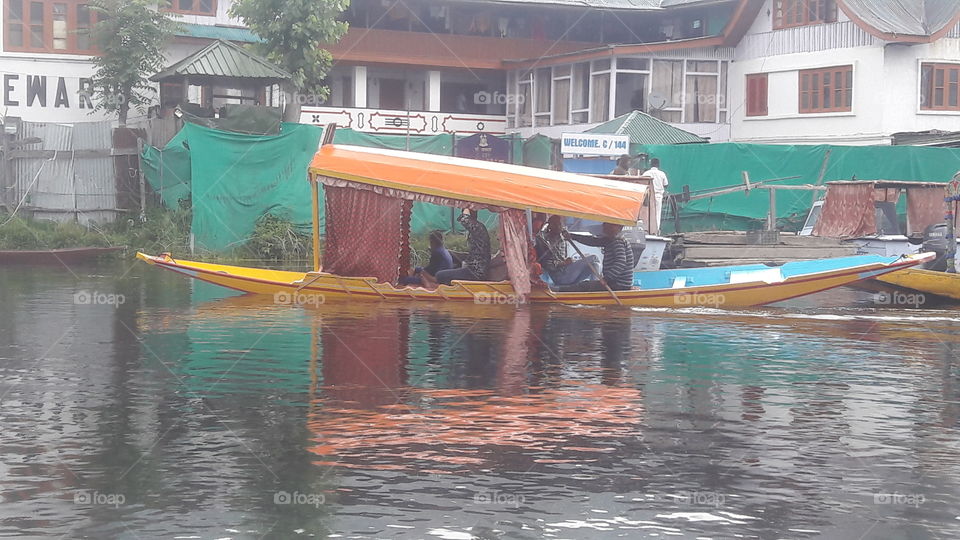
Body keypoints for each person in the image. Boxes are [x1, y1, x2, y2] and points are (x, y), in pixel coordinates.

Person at [556, 223, 634, 292]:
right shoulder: (610, 240)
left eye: (610, 225)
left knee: (584, 286)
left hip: (617, 285)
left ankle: (558, 291)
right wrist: (572, 236)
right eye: (605, 224)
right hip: (617, 283)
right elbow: (592, 241)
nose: (604, 226)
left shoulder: (617, 241)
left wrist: (606, 279)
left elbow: (620, 262)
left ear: (619, 227)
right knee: (588, 285)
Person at [534, 215, 598, 287]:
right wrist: (563, 263)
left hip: (567, 273)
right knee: (594, 258)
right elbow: (548, 265)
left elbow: (563, 259)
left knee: (595, 265)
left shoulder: (562, 239)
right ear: (550, 225)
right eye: (557, 224)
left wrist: (569, 261)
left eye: (561, 224)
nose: (560, 226)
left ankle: (594, 286)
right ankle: (594, 286)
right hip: (559, 276)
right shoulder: (544, 240)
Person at [436, 209, 491, 285]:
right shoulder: (477, 227)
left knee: (440, 275)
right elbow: (474, 253)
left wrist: (466, 209)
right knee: (450, 258)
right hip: (473, 268)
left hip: (475, 272)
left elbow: (465, 220)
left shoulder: (478, 227)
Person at [643, 157, 669, 232]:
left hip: (648, 196)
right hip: (658, 196)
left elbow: (642, 182)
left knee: (648, 213)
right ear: (658, 165)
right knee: (657, 213)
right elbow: (666, 184)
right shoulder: (662, 174)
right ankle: (656, 231)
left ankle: (647, 230)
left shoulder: (646, 173)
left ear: (651, 164)